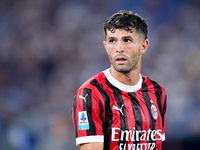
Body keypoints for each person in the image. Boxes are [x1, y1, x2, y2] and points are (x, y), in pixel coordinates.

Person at [72, 10, 167, 150]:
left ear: (143, 46)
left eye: (127, 40)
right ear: (106, 46)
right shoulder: (90, 94)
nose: (119, 48)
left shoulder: (158, 93)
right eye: (112, 41)